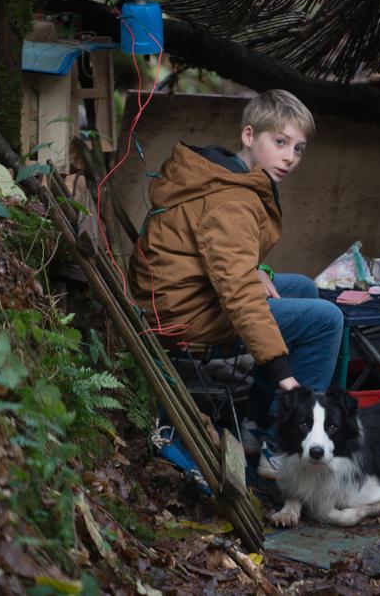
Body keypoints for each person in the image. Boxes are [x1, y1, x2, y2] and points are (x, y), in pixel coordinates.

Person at [129, 89, 343, 478]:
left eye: (298, 149)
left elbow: (222, 257)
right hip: (183, 314)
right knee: (325, 319)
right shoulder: (233, 200)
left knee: (302, 290)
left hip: (177, 294)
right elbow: (239, 294)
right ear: (249, 135)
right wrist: (285, 376)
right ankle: (284, 445)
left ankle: (256, 427)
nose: (289, 157)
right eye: (279, 142)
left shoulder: (220, 174)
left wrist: (258, 269)